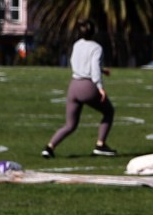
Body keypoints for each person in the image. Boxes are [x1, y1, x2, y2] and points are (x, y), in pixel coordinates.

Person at [42, 24, 116, 158]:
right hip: (88, 87)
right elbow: (93, 67)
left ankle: (49, 147)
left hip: (74, 85)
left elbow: (77, 62)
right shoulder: (96, 47)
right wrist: (100, 87)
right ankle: (100, 145)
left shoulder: (77, 44)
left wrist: (102, 69)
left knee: (70, 124)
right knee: (109, 112)